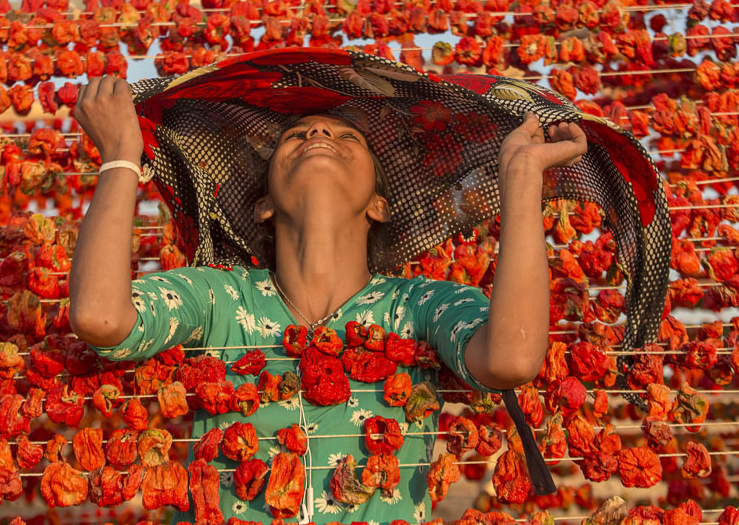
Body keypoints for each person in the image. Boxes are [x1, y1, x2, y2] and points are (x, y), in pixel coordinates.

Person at [68, 73, 587, 523]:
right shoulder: (217, 295)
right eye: (297, 134)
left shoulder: (419, 306)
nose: (318, 131)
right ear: (265, 205)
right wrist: (119, 159)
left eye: (346, 136)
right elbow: (100, 316)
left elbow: (511, 359)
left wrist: (520, 182)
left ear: (380, 205)